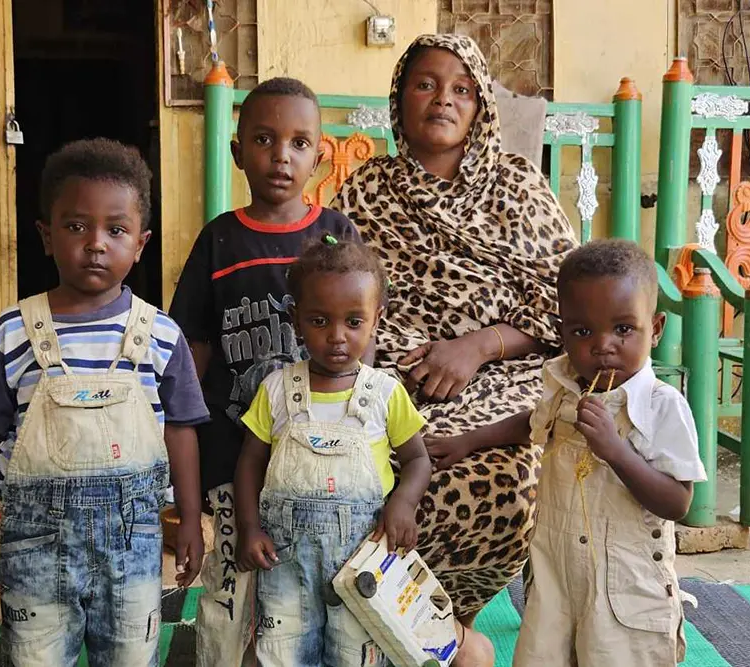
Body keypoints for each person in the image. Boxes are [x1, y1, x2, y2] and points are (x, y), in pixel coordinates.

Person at [333, 33, 578, 661]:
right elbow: (332, 290)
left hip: (506, 374)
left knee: (508, 475)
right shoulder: (366, 191)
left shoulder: (516, 185)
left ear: (480, 109)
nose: (443, 99)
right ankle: (401, 625)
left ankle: (443, 617)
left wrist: (477, 346)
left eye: (462, 89)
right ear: (399, 99)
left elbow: (568, 301)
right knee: (343, 468)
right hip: (390, 375)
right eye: (425, 84)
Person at [0, 138, 210, 666]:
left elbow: (181, 430)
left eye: (116, 229)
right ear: (46, 236)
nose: (95, 244)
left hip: (134, 548)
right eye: (75, 226)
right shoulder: (14, 331)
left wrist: (191, 517)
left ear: (141, 242)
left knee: (132, 656)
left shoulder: (160, 335)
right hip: (34, 550)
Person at [167, 77, 360, 667]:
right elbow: (192, 347)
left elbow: (362, 337)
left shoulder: (335, 235)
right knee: (229, 590)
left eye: (300, 142)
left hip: (320, 461)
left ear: (320, 153)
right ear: (237, 151)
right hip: (232, 454)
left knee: (304, 595)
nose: (282, 155)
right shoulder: (219, 240)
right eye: (264, 139)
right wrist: (181, 440)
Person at [458, 240, 706, 666]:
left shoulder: (664, 408)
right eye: (583, 331)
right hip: (555, 582)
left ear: (657, 328)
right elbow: (533, 423)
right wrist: (466, 441)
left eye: (624, 329)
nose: (603, 345)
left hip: (626, 589)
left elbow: (678, 502)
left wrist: (615, 450)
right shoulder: (564, 385)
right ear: (563, 330)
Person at [235, 238, 432, 667]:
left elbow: (418, 459)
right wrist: (249, 528)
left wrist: (403, 502)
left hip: (361, 561)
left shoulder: (385, 394)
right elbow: (250, 463)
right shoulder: (276, 390)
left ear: (377, 320)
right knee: (283, 654)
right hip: (284, 563)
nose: (337, 337)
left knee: (356, 654)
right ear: (296, 319)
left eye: (354, 321)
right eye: (320, 320)